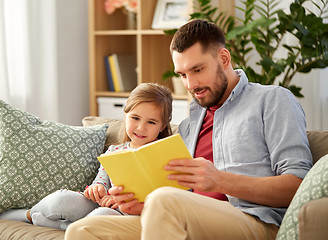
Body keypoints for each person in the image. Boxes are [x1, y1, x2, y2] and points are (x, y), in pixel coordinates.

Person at [64, 20, 313, 240]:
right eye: (182, 74)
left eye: (197, 70)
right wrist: (142, 205)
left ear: (223, 59)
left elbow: (298, 185)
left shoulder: (272, 100)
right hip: (185, 217)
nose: (190, 85)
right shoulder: (190, 123)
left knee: (164, 199)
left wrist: (221, 180)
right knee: (82, 230)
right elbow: (176, 197)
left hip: (254, 221)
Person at [0, 82, 173, 230]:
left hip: (127, 215)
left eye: (151, 122)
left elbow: (168, 197)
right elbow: (100, 180)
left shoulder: (164, 155)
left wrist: (121, 203)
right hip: (101, 203)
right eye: (135, 118)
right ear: (125, 115)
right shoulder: (114, 151)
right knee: (63, 199)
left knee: (101, 217)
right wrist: (97, 189)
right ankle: (27, 214)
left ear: (163, 125)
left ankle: (61, 226)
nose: (141, 127)